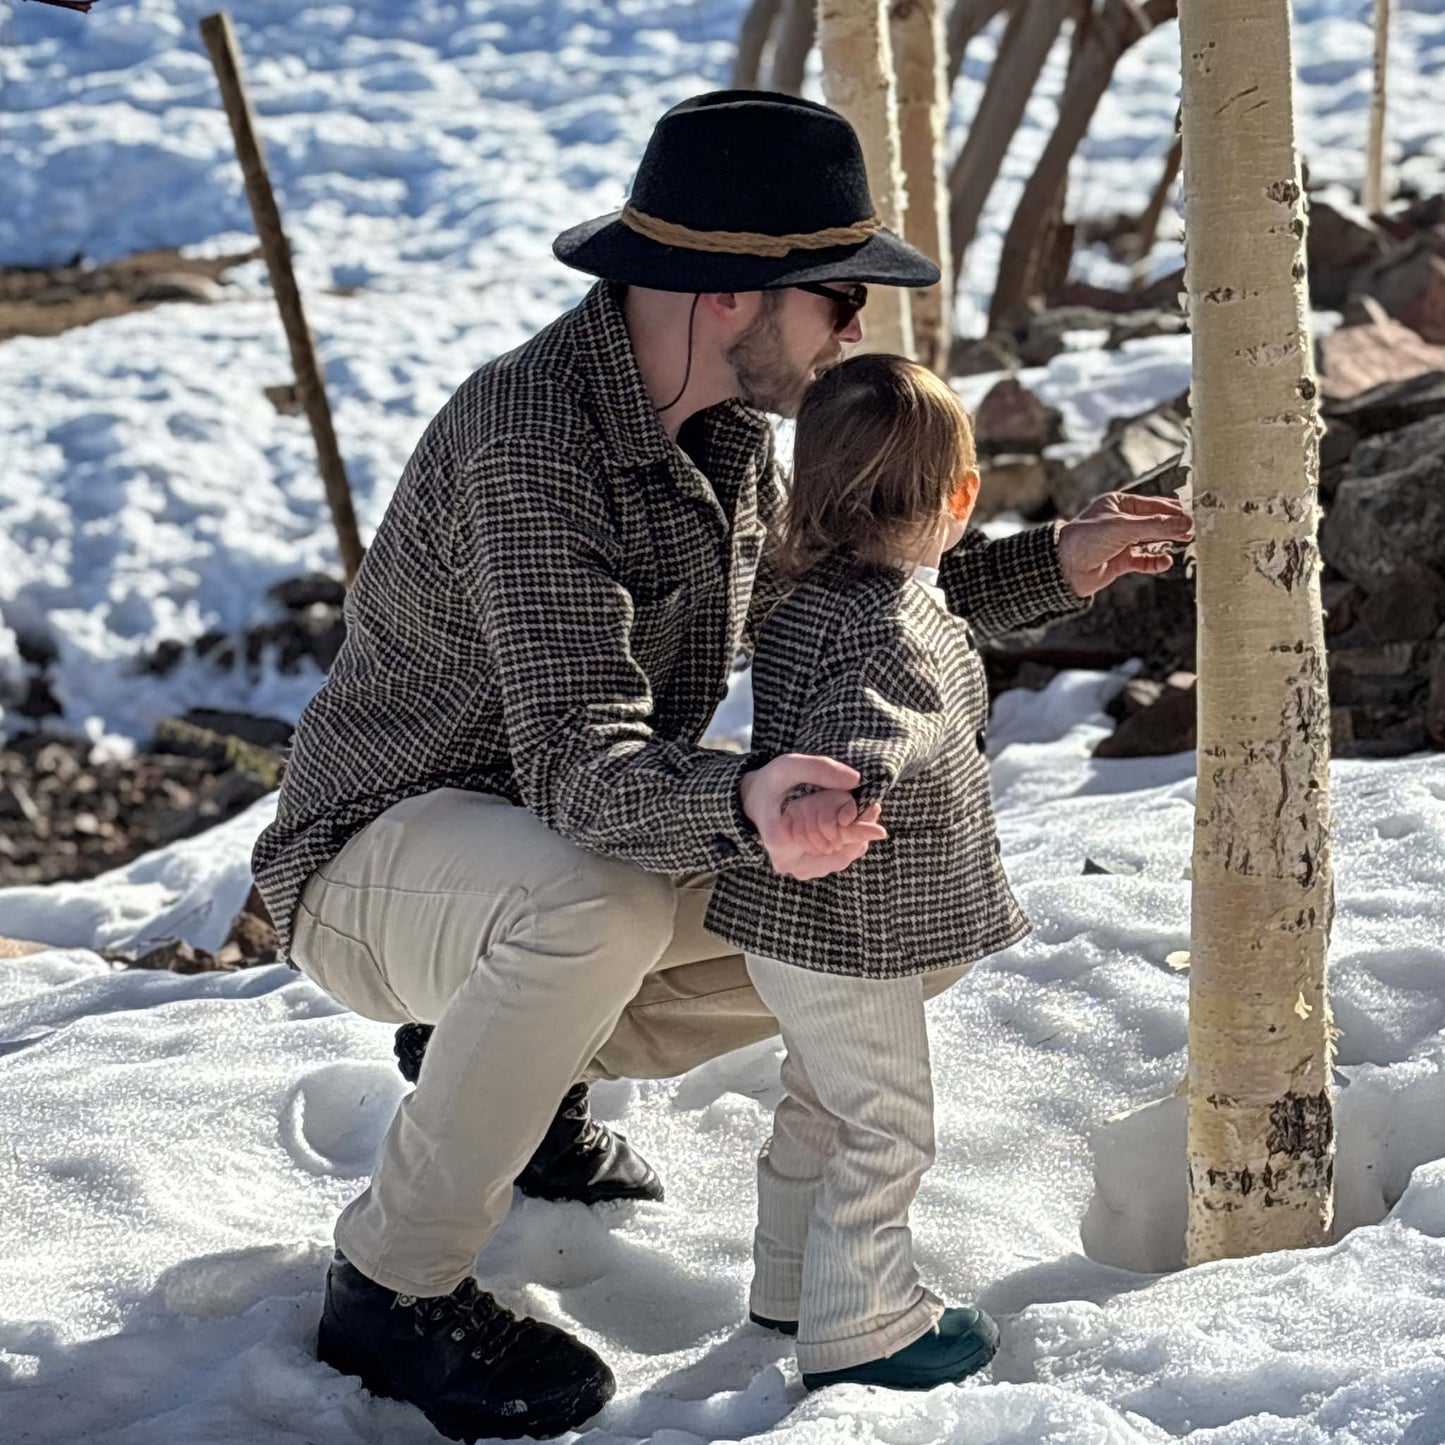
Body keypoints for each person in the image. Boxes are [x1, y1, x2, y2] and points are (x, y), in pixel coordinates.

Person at [251, 90, 1192, 1442]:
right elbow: (581, 769)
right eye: (839, 295)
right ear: (734, 295)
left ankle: (518, 1062)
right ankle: (391, 1285)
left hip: (544, 847)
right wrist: (750, 795)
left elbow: (848, 603)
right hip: (368, 852)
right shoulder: (534, 442)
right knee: (602, 901)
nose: (858, 329)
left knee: (892, 889)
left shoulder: (732, 437)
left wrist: (1059, 560)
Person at [708, 352, 1016, 1391]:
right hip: (855, 934)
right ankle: (865, 1325)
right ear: (959, 495)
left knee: (819, 1100)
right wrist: (842, 788)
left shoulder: (805, 595)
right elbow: (868, 719)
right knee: (885, 1126)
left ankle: (790, 1281)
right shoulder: (892, 625)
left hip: (789, 929)